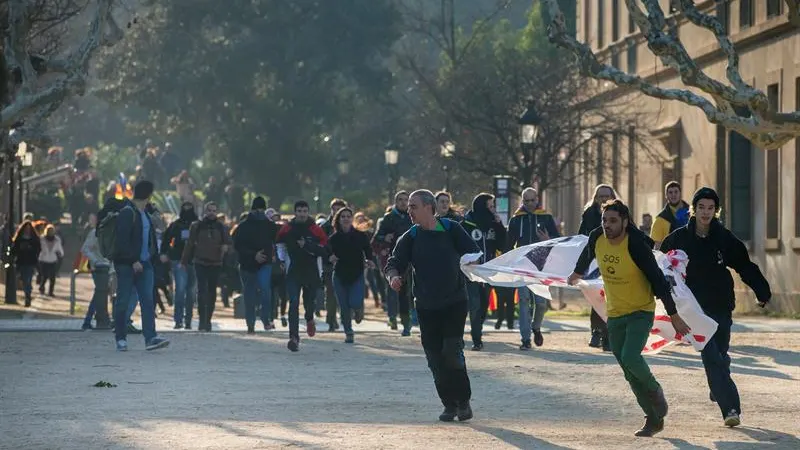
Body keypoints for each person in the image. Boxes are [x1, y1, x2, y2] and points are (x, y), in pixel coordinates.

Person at [568, 199, 688, 437]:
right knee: (627, 370)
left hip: (640, 311)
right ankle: (652, 419)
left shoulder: (635, 244)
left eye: (613, 221)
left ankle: (655, 390)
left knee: (631, 358)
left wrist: (674, 315)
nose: (607, 225)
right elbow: (587, 253)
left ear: (624, 221)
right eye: (604, 220)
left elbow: (658, 280)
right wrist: (577, 272)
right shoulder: (597, 238)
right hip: (614, 314)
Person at [660, 187, 771, 428]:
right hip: (694, 309)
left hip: (721, 303)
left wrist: (762, 291)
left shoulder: (724, 238)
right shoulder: (678, 238)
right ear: (694, 209)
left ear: (716, 211)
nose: (706, 212)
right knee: (710, 356)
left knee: (720, 353)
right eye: (701, 207)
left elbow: (744, 265)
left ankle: (718, 382)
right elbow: (660, 266)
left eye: (711, 208)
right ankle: (730, 407)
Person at [385, 189, 480, 422]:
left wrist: (472, 261)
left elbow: (473, 252)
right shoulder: (411, 236)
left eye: (413, 206)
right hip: (426, 305)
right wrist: (393, 277)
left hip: (454, 302)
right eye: (408, 207)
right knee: (434, 357)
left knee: (452, 352)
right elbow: (393, 263)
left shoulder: (451, 229)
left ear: (429, 207)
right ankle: (449, 405)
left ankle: (463, 402)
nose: (409, 211)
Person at [111, 180, 169, 351]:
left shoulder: (145, 214)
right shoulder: (128, 213)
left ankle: (150, 338)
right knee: (122, 300)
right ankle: (120, 338)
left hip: (146, 264)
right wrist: (133, 260)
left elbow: (153, 237)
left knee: (148, 301)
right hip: (127, 264)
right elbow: (122, 241)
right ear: (149, 195)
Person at [505, 187, 560, 348]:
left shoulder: (546, 217)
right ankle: (525, 339)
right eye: (526, 200)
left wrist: (548, 238)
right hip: (522, 265)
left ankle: (536, 327)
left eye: (532, 200)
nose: (529, 203)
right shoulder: (516, 219)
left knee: (541, 303)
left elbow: (558, 240)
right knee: (523, 301)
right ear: (523, 201)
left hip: (540, 266)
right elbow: (509, 244)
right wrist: (507, 262)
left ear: (537, 200)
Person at [276, 201, 329, 352]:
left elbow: (324, 250)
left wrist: (306, 245)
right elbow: (279, 245)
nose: (302, 214)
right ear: (295, 212)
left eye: (305, 211)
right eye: (299, 211)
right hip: (293, 271)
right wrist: (280, 260)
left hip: (311, 271)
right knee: (293, 303)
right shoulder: (287, 229)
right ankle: (294, 338)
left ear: (308, 212)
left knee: (309, 302)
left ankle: (309, 318)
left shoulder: (316, 230)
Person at [461, 193, 507, 351]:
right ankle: (476, 339)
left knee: (484, 304)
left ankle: (477, 329)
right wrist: (467, 259)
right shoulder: (466, 224)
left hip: (487, 272)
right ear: (482, 207)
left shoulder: (493, 224)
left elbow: (503, 245)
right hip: (470, 272)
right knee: (474, 304)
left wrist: (500, 225)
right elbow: (458, 245)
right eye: (490, 206)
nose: (493, 209)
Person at [578, 183, 617, 351]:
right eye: (600, 196)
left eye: (606, 196)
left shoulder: (620, 212)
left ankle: (607, 335)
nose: (603, 199)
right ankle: (597, 331)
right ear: (596, 198)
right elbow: (581, 236)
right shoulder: (589, 213)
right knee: (598, 297)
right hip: (594, 261)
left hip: (615, 259)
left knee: (611, 299)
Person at [327, 207, 375, 343]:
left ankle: (358, 309)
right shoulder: (334, 238)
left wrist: (369, 259)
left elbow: (367, 248)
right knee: (344, 306)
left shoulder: (360, 236)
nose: (346, 218)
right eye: (343, 216)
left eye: (348, 216)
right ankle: (348, 331)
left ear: (352, 219)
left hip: (357, 274)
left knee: (354, 302)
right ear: (339, 219)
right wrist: (330, 257)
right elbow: (326, 252)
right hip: (339, 275)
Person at [181, 202, 231, 332]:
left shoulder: (222, 227)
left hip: (216, 263)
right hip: (200, 262)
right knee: (202, 291)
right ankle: (202, 319)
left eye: (214, 210)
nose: (211, 213)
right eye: (209, 210)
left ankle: (208, 319)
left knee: (212, 292)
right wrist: (184, 261)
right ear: (205, 211)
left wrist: (226, 248)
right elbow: (190, 244)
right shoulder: (196, 226)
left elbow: (229, 244)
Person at [233, 196, 279, 334]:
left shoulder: (270, 226)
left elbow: (276, 241)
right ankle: (251, 323)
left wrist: (273, 255)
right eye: (257, 209)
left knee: (266, 291)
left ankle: (266, 319)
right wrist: (253, 255)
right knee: (249, 295)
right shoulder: (243, 226)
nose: (259, 212)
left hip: (265, 263)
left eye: (261, 209)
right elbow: (237, 245)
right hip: (247, 264)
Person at [373, 191, 413, 335]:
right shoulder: (388, 218)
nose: (403, 202)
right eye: (400, 200)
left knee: (407, 293)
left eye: (406, 200)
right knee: (393, 291)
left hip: (412, 260)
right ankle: (394, 318)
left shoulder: (413, 216)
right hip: (394, 261)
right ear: (396, 202)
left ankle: (407, 322)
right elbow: (376, 239)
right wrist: (385, 238)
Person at [160, 202, 199, 329]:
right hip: (178, 260)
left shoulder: (199, 225)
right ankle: (178, 320)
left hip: (195, 260)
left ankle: (188, 319)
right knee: (180, 290)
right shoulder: (176, 225)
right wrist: (164, 253)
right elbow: (166, 239)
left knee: (192, 292)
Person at [320, 198, 347, 332]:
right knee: (330, 292)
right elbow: (320, 246)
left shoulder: (348, 226)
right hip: (329, 265)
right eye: (334, 209)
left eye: (339, 209)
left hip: (346, 265)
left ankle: (346, 316)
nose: (336, 212)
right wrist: (329, 256)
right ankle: (331, 319)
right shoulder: (324, 227)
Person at [81, 220, 111, 330]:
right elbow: (85, 249)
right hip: (99, 268)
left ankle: (96, 319)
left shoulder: (116, 232)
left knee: (101, 293)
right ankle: (91, 319)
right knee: (100, 293)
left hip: (110, 267)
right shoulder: (95, 233)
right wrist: (96, 261)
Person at [650, 181, 690, 250]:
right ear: (666, 195)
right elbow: (657, 247)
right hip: (670, 259)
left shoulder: (693, 213)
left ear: (680, 193)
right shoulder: (660, 219)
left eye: (676, 192)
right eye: (670, 192)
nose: (673, 195)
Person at [11, 221, 41, 307]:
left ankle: (28, 296)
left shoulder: (34, 238)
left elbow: (38, 249)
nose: (27, 230)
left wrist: (31, 249)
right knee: (23, 280)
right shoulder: (19, 238)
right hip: (21, 261)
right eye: (26, 228)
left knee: (28, 279)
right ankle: (27, 291)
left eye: (29, 228)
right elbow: (14, 249)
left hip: (30, 262)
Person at [38, 225, 64, 297]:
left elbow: (60, 248)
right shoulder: (42, 239)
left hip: (53, 260)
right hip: (43, 260)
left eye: (52, 231)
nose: (51, 232)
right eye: (49, 231)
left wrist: (61, 254)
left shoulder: (57, 239)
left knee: (52, 277)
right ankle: (42, 288)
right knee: (45, 276)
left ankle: (50, 292)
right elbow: (38, 248)